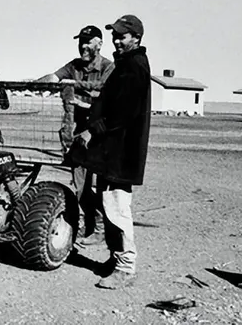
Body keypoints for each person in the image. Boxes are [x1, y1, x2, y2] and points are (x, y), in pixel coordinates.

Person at [74, 14, 151, 289]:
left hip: (120, 153)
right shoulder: (126, 64)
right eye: (115, 35)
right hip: (113, 153)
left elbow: (122, 115)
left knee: (117, 208)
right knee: (109, 205)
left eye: (123, 36)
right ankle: (115, 258)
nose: (117, 40)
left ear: (136, 38)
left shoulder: (133, 67)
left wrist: (92, 130)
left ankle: (125, 267)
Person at [38, 25, 114, 245]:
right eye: (81, 40)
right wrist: (33, 83)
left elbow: (103, 91)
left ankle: (101, 228)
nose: (83, 45)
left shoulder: (109, 68)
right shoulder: (73, 65)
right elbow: (54, 77)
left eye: (88, 41)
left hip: (101, 132)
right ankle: (90, 225)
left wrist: (74, 87)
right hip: (78, 132)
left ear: (99, 43)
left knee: (102, 186)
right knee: (81, 184)